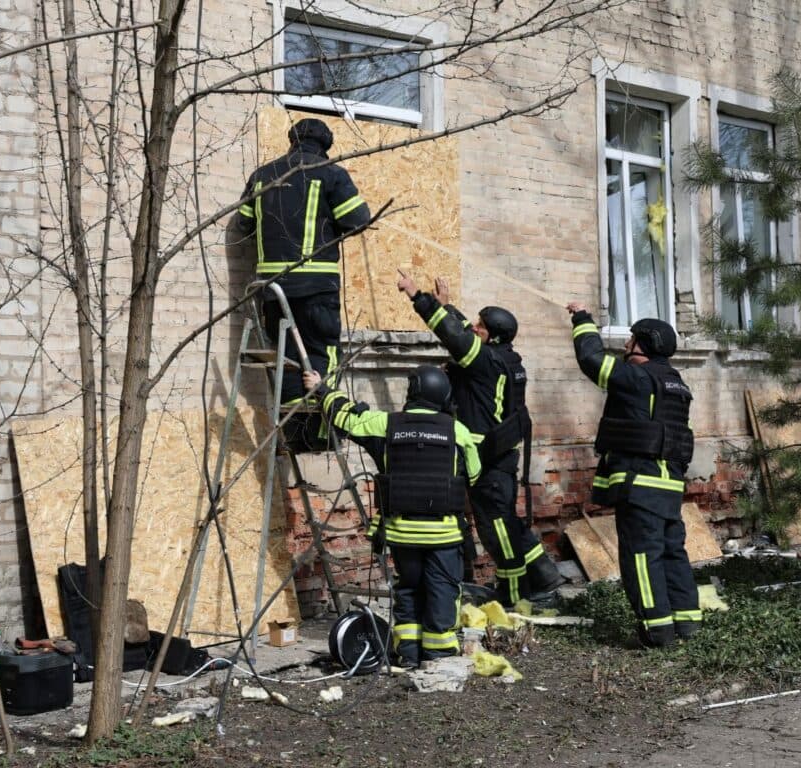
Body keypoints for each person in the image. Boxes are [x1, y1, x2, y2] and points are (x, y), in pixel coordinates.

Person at [397, 271, 564, 607]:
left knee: (496, 528)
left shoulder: (487, 361)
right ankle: (545, 575)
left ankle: (515, 594)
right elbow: (467, 336)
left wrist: (419, 298)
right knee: (505, 520)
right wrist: (450, 306)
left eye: (481, 326)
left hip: (488, 461)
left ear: (495, 338)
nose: (475, 327)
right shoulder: (508, 359)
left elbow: (456, 339)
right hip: (499, 457)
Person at [302, 366, 481, 668]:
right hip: (444, 535)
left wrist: (321, 389)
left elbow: (345, 416)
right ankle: (438, 656)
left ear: (411, 392)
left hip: (401, 533)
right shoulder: (458, 431)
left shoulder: (385, 424)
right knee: (442, 590)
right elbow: (473, 475)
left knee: (408, 590)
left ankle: (409, 655)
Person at [566, 302, 700, 647]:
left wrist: (582, 319)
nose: (626, 346)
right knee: (672, 553)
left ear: (645, 344)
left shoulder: (639, 378)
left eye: (631, 340)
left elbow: (591, 361)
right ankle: (686, 626)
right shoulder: (676, 384)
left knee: (641, 557)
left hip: (640, 485)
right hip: (669, 485)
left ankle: (656, 633)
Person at [231, 117, 370, 410]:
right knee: (321, 353)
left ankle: (293, 428)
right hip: (317, 288)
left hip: (271, 290)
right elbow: (359, 220)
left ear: (292, 141)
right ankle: (316, 430)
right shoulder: (330, 174)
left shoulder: (262, 175)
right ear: (325, 146)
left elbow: (243, 224)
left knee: (288, 354)